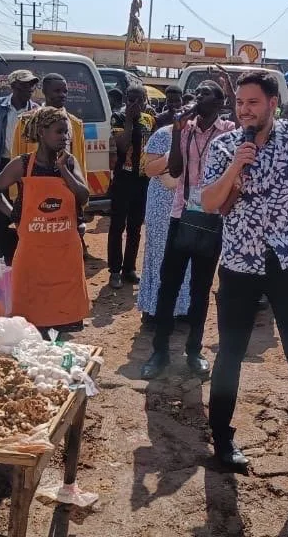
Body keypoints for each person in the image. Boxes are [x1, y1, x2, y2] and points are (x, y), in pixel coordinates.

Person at [198, 0, 288, 482]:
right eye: (239, 103)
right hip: (238, 262)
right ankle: (222, 439)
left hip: (286, 260)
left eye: (253, 103)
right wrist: (236, 164)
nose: (244, 110)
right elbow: (210, 203)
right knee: (230, 352)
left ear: (272, 104)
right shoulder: (221, 146)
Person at [140, 81, 234, 380]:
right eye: (199, 92)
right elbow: (177, 171)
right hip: (181, 216)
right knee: (168, 285)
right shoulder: (185, 129)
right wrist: (179, 129)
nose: (199, 97)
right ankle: (160, 352)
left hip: (212, 218)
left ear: (219, 103)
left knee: (200, 289)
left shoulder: (228, 130)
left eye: (207, 92)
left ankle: (193, 351)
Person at [0, 107, 91, 330]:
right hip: (32, 250)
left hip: (65, 250)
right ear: (42, 133)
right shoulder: (22, 164)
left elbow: (82, 197)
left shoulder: (69, 162)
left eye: (66, 133)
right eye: (59, 132)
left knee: (64, 314)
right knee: (30, 315)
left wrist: (63, 170)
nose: (64, 137)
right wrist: (16, 216)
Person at [12, 73, 88, 231]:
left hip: (66, 192)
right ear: (45, 92)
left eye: (65, 91)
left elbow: (80, 164)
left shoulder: (75, 124)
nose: (62, 95)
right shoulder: (27, 122)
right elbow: (16, 158)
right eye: (57, 91)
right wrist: (16, 204)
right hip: (34, 196)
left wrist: (81, 204)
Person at [135, 124, 193, 324]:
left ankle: (182, 309)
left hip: (189, 203)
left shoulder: (203, 135)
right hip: (162, 205)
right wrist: (171, 154)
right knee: (160, 254)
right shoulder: (162, 135)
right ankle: (155, 309)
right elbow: (149, 169)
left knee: (187, 257)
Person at [0, 70, 40, 261]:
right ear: (13, 86)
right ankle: (0, 260)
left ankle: (20, 258)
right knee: (0, 215)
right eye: (24, 85)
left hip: (25, 167)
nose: (29, 89)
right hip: (2, 164)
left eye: (32, 85)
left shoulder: (36, 110)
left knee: (23, 212)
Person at [107, 85, 154, 289]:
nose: (134, 104)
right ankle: (115, 271)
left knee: (135, 227)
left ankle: (129, 268)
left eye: (138, 100)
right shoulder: (117, 117)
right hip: (123, 178)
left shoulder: (149, 120)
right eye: (130, 99)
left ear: (145, 101)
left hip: (142, 180)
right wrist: (128, 120)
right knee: (117, 226)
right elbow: (122, 146)